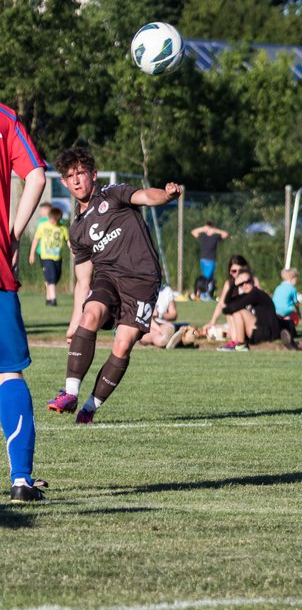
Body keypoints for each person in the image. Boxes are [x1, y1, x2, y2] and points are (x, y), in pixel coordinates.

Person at [46, 147, 182, 424]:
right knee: (91, 313)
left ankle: (89, 407)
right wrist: (75, 323)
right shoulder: (76, 230)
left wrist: (167, 195)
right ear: (62, 181)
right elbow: (83, 281)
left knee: (123, 345)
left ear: (93, 175)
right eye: (69, 176)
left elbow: (144, 196)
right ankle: (69, 392)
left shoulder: (113, 193)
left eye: (80, 173)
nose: (75, 180)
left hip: (142, 281)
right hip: (107, 278)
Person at [0, 105, 48, 503]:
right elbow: (35, 174)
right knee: (8, 374)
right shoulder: (4, 118)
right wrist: (12, 235)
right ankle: (20, 480)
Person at [218, 271, 288, 351]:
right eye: (241, 284)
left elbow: (231, 308)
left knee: (238, 311)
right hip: (258, 330)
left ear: (252, 281)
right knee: (232, 312)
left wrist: (226, 309)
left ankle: (241, 343)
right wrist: (234, 285)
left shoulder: (256, 294)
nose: (244, 285)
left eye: (247, 282)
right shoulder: (246, 295)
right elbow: (227, 303)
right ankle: (234, 342)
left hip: (267, 332)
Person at [203, 254, 256, 335]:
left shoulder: (252, 282)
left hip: (251, 320)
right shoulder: (229, 284)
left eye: (240, 270)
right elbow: (221, 304)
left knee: (229, 321)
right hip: (235, 321)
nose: (237, 274)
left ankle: (235, 337)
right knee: (211, 329)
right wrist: (212, 322)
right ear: (230, 271)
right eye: (234, 271)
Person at [30, 204, 69, 306]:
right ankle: (53, 299)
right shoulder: (43, 226)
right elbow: (36, 239)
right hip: (45, 256)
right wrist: (32, 253)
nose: (54, 222)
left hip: (57, 257)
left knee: (56, 277)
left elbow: (67, 240)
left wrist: (74, 251)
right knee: (50, 277)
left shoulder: (62, 228)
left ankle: (48, 298)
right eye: (52, 220)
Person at [190, 221, 229, 298]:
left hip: (211, 260)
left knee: (207, 277)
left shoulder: (215, 237)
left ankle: (205, 293)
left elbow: (225, 234)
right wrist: (203, 229)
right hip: (203, 260)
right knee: (206, 278)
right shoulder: (203, 237)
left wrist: (215, 230)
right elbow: (193, 232)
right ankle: (205, 293)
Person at [138, 283, 180, 348]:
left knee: (169, 328)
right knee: (153, 335)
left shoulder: (167, 291)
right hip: (147, 325)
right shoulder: (143, 290)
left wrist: (160, 315)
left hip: (163, 324)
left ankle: (168, 339)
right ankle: (167, 341)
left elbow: (173, 315)